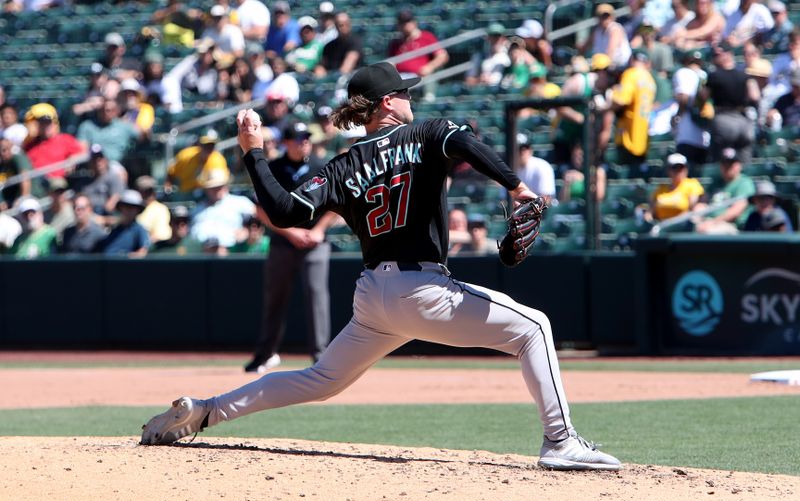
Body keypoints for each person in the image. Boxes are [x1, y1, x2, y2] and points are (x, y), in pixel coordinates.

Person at [140, 61, 623, 473]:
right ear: (387, 103)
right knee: (534, 327)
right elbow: (467, 143)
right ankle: (560, 442)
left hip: (373, 296)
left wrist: (252, 153)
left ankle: (203, 413)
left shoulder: (342, 165)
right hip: (423, 288)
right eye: (404, 94)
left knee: (320, 380)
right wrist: (516, 186)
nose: (411, 99)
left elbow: (285, 211)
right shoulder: (427, 132)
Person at [245, 121, 339, 372]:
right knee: (275, 299)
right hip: (282, 243)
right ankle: (264, 354)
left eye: (306, 138)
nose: (304, 142)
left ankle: (322, 358)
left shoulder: (321, 166)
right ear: (286, 143)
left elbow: (337, 203)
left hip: (316, 242)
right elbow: (260, 208)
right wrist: (290, 232)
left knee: (317, 297)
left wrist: (318, 230)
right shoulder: (274, 168)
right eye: (298, 139)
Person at [699, 43, 758, 163]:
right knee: (744, 163)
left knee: (719, 163)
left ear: (727, 55)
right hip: (743, 122)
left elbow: (702, 97)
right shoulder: (744, 75)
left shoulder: (714, 76)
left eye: (717, 55)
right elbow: (755, 96)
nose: (715, 58)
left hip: (723, 121)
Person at [610, 50, 657, 172]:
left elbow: (622, 100)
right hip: (643, 133)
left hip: (628, 134)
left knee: (625, 175)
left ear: (631, 60)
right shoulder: (650, 79)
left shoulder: (630, 74)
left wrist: (609, 101)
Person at [189, 167, 256, 248]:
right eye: (213, 187)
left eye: (219, 186)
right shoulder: (197, 209)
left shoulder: (240, 202)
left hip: (233, 252)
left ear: (226, 185)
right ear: (206, 189)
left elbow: (257, 220)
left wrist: (247, 231)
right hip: (201, 253)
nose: (217, 189)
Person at [694, 147, 756, 234]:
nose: (727, 167)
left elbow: (736, 211)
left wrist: (712, 222)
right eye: (724, 163)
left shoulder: (744, 183)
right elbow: (704, 202)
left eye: (731, 164)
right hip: (708, 222)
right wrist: (698, 212)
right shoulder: (716, 182)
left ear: (739, 165)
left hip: (730, 225)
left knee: (708, 232)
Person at [23, 103, 85, 181]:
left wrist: (72, 161)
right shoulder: (30, 143)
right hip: (35, 183)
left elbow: (82, 154)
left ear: (55, 123)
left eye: (48, 122)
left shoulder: (65, 139)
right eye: (42, 123)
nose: (46, 126)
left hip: (57, 183)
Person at [672, 49, 710, 165]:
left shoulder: (683, 72)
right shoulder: (706, 75)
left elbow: (683, 98)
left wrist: (677, 117)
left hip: (687, 134)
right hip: (706, 134)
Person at [75, 98, 141, 164]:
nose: (106, 113)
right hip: (94, 164)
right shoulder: (87, 126)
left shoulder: (124, 125)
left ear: (117, 111)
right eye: (103, 110)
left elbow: (142, 135)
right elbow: (82, 149)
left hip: (117, 164)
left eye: (110, 110)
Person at [165, 129, 229, 195]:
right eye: (206, 145)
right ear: (199, 144)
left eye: (212, 145)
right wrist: (168, 186)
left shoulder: (218, 160)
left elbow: (221, 183)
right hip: (185, 193)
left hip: (207, 196)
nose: (209, 148)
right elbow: (171, 172)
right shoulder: (186, 155)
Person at [388, 9, 449, 78]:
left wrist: (430, 67)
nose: (405, 25)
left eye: (408, 21)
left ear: (414, 22)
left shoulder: (426, 36)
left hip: (420, 78)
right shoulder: (395, 42)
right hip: (401, 78)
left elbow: (442, 56)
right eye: (402, 22)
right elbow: (392, 62)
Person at [95, 189, 150, 257]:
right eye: (126, 206)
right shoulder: (114, 228)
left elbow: (143, 252)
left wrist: (126, 258)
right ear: (121, 208)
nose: (128, 210)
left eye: (132, 207)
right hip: (106, 265)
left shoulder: (139, 229)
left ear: (137, 210)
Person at [649, 153, 705, 221]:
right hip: (661, 226)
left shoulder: (692, 184)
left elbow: (692, 207)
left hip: (682, 225)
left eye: (681, 167)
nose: (678, 171)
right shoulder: (661, 189)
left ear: (686, 169)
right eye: (674, 168)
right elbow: (651, 210)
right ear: (668, 170)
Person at [80, 144, 124, 222]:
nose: (98, 162)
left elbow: (113, 202)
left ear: (105, 160)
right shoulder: (85, 180)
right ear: (90, 162)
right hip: (88, 215)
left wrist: (97, 217)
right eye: (94, 159)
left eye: (100, 159)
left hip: (105, 215)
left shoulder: (113, 177)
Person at [583, 3, 631, 69]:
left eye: (607, 16)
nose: (606, 19)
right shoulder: (597, 31)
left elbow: (610, 54)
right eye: (603, 16)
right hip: (602, 67)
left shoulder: (615, 29)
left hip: (619, 67)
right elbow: (583, 47)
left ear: (612, 17)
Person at [315, 12, 362, 77]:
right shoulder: (329, 46)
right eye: (339, 25)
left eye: (345, 24)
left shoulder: (355, 41)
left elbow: (346, 68)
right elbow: (321, 66)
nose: (342, 27)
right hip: (333, 80)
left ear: (349, 25)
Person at [135, 175, 172, 243]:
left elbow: (161, 235)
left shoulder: (161, 209)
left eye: (150, 191)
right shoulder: (133, 208)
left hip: (151, 249)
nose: (148, 194)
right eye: (145, 191)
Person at [0, 137, 32, 209]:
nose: (3, 153)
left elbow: (25, 180)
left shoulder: (18, 159)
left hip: (30, 198)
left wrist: (23, 201)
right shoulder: (2, 166)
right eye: (1, 151)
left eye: (5, 149)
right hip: (10, 201)